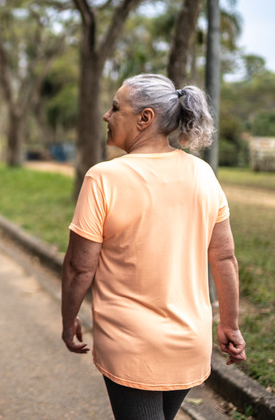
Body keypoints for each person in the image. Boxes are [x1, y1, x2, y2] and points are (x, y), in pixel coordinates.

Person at [61, 73, 246, 420]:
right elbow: (224, 257)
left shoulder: (103, 178)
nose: (106, 115)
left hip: (130, 343)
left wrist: (68, 318)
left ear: (145, 118)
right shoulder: (203, 174)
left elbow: (79, 266)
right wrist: (230, 325)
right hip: (190, 341)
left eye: (116, 108)